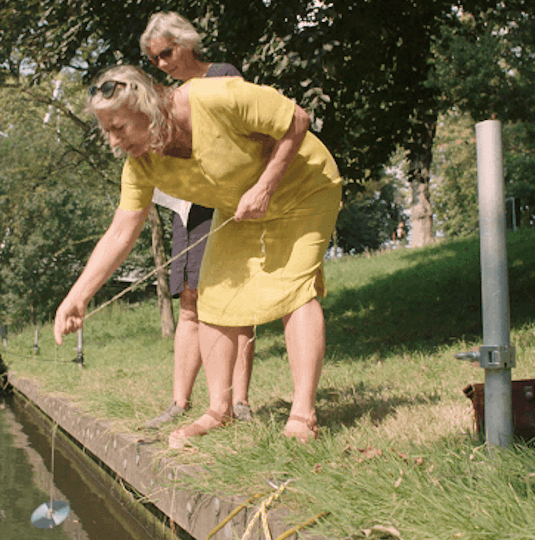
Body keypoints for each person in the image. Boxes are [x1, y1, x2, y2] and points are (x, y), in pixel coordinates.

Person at [54, 66, 342, 448]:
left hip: (303, 185)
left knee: (294, 288)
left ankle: (303, 414)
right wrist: (77, 297)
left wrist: (265, 186)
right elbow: (122, 231)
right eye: (106, 131)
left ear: (147, 107)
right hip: (240, 208)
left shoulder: (215, 97)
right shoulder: (142, 163)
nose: (112, 142)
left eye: (118, 128)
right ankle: (218, 412)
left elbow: (297, 118)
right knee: (214, 301)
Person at [136, 12, 256, 429]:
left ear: (186, 43)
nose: (162, 64)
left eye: (165, 53)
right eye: (153, 60)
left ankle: (238, 403)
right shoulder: (168, 96)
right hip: (187, 209)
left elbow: (246, 135)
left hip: (224, 204)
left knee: (235, 304)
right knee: (189, 303)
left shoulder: (223, 75)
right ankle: (179, 403)